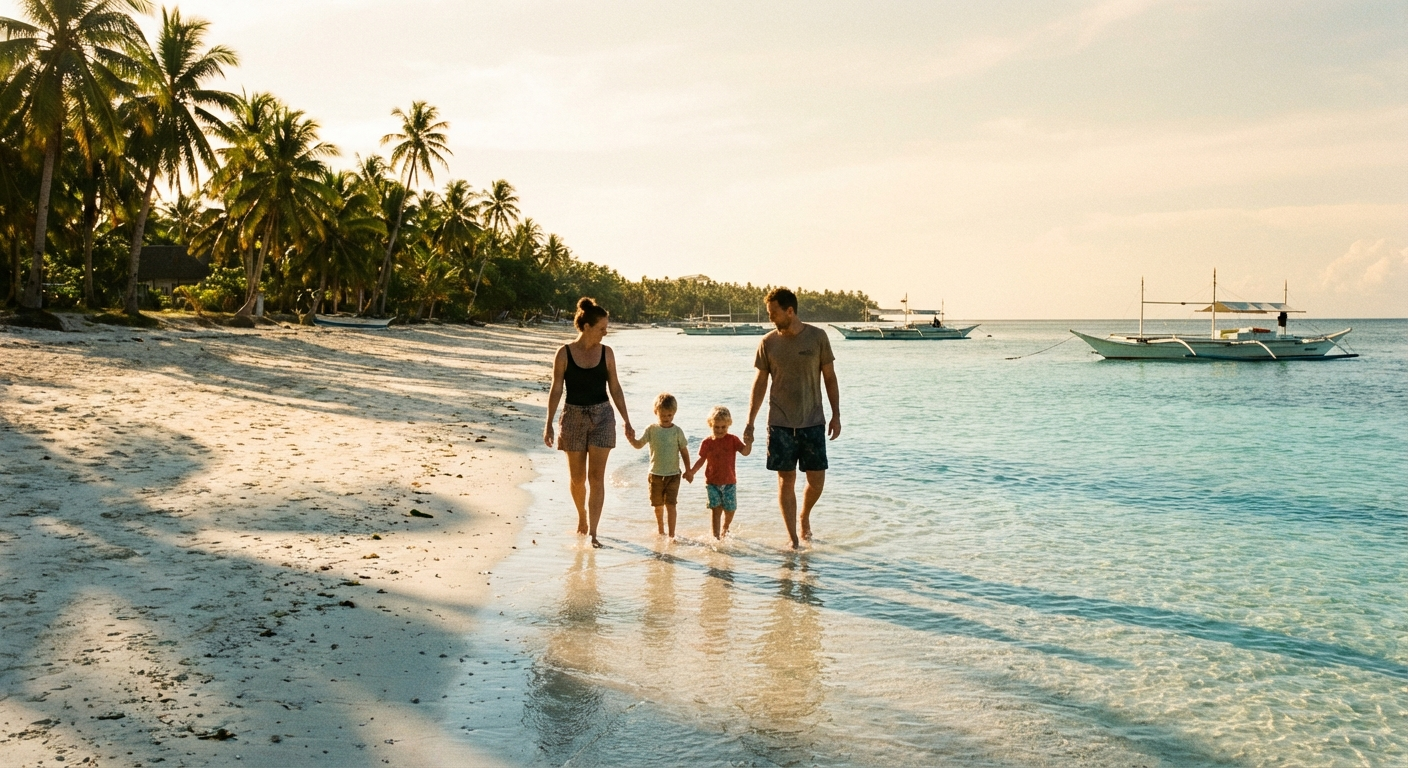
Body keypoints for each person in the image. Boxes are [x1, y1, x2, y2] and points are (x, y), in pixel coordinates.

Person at [744, 288, 840, 549]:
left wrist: (836, 414)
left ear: (790, 310)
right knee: (786, 480)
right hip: (780, 423)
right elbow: (760, 383)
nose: (770, 318)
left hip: (813, 421)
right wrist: (750, 422)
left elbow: (829, 377)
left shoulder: (818, 337)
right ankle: (793, 538)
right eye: (769, 313)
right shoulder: (767, 343)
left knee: (816, 481)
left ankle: (804, 515)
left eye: (773, 313)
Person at [544, 297, 636, 548]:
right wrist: (549, 422)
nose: (606, 333)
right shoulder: (563, 353)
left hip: (602, 417)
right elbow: (555, 390)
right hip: (572, 417)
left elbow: (615, 388)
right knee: (577, 479)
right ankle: (581, 517)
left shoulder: (607, 353)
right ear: (586, 327)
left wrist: (627, 420)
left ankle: (594, 531)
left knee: (597, 478)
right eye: (602, 328)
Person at [627, 393, 691, 538]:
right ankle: (661, 529)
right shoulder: (651, 429)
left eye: (669, 415)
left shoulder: (677, 431)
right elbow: (638, 445)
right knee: (657, 505)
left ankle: (672, 535)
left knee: (671, 505)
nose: (666, 418)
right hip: (655, 474)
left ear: (674, 414)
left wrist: (689, 470)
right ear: (656, 412)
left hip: (673, 475)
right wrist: (631, 439)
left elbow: (684, 452)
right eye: (663, 415)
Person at [685, 405, 753, 539]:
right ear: (711, 425)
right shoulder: (707, 442)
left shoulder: (732, 440)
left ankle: (725, 528)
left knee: (730, 509)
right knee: (715, 510)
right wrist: (691, 472)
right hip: (712, 483)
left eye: (723, 427)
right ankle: (716, 537)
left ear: (728, 425)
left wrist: (749, 443)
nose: (720, 430)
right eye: (716, 427)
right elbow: (701, 460)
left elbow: (745, 452)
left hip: (730, 482)